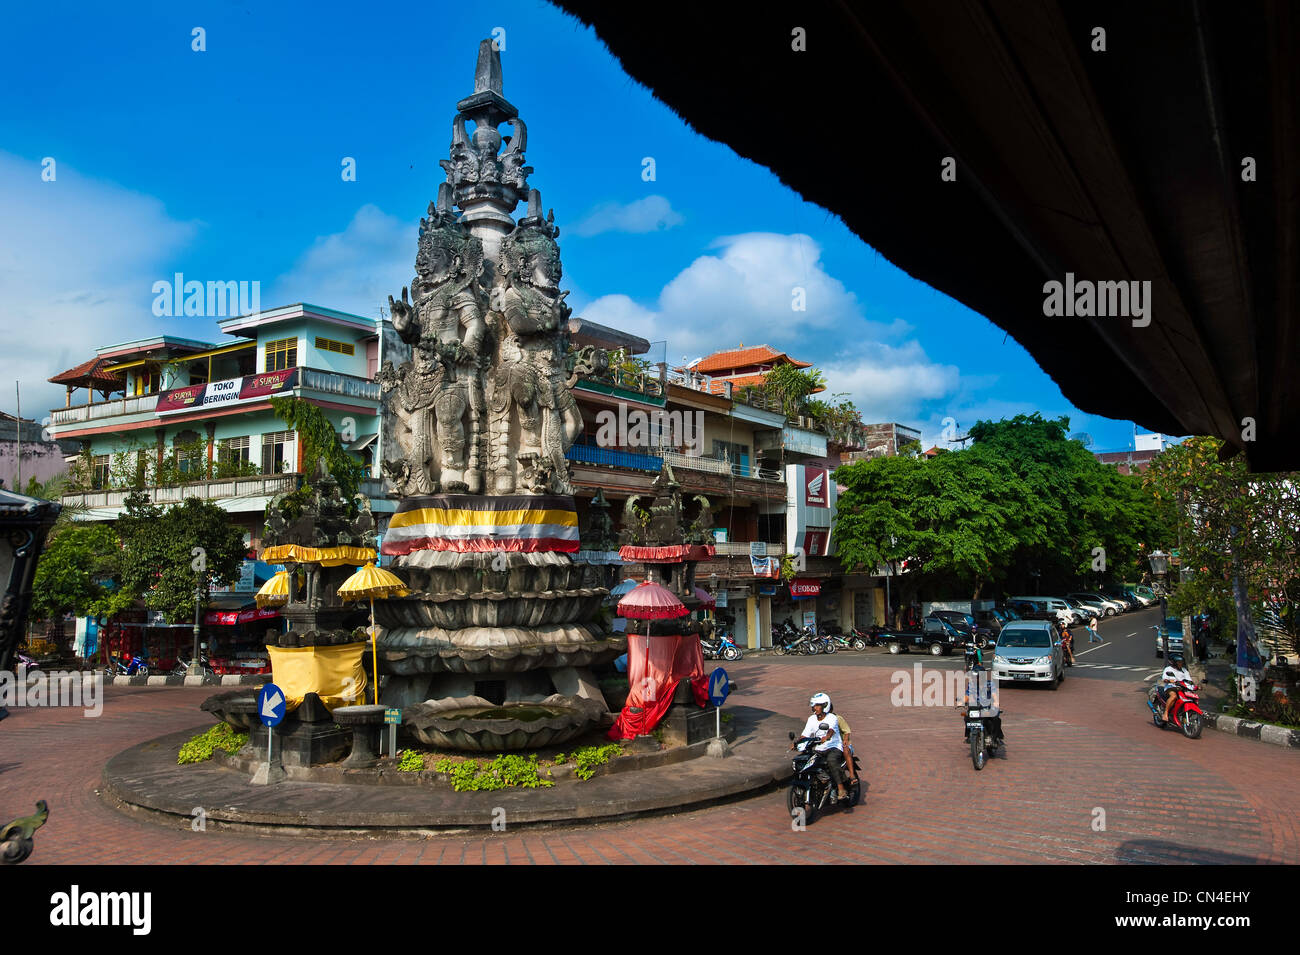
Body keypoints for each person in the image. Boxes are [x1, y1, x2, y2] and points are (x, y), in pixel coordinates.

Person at [791, 692, 849, 802]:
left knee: (831, 760)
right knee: (808, 761)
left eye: (817, 705)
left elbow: (831, 730)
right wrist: (797, 742)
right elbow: (805, 734)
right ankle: (822, 781)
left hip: (833, 747)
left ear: (825, 706)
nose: (814, 708)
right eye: (813, 705)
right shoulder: (811, 719)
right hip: (819, 749)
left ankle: (841, 789)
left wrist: (826, 737)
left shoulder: (832, 717)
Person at [960, 646, 1004, 746]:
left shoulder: (989, 684)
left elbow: (994, 694)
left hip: (987, 707)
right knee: (966, 716)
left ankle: (995, 737)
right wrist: (962, 701)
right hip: (976, 706)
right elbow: (967, 695)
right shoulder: (972, 684)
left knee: (995, 719)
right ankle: (969, 736)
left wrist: (996, 702)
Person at [1158, 653, 1193, 724]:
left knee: (1191, 698)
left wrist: (1194, 686)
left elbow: (1189, 680)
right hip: (1171, 687)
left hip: (1182, 688)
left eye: (1181, 662)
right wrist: (1169, 681)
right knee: (1173, 696)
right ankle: (1166, 713)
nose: (1180, 663)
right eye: (1178, 662)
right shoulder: (1168, 669)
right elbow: (1165, 679)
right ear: (1174, 662)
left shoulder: (1184, 670)